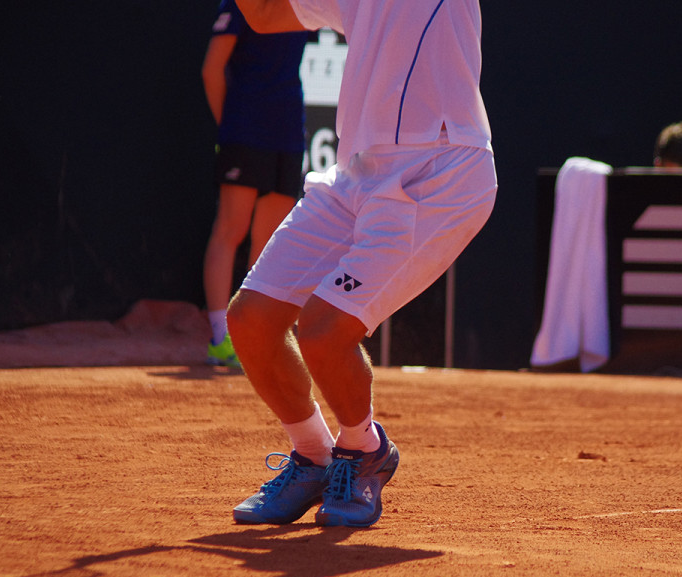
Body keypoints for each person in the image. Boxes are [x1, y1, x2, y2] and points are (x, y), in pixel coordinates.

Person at [226, 0, 497, 528]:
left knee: (324, 330)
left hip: (440, 174)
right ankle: (312, 456)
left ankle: (364, 449)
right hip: (354, 177)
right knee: (251, 321)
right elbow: (260, 13)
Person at [201, 0, 308, 368]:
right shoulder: (240, 3)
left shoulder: (304, 4)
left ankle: (258, 337)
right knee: (231, 229)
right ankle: (221, 338)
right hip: (245, 129)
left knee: (270, 244)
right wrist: (228, 130)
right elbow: (211, 69)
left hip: (289, 131)